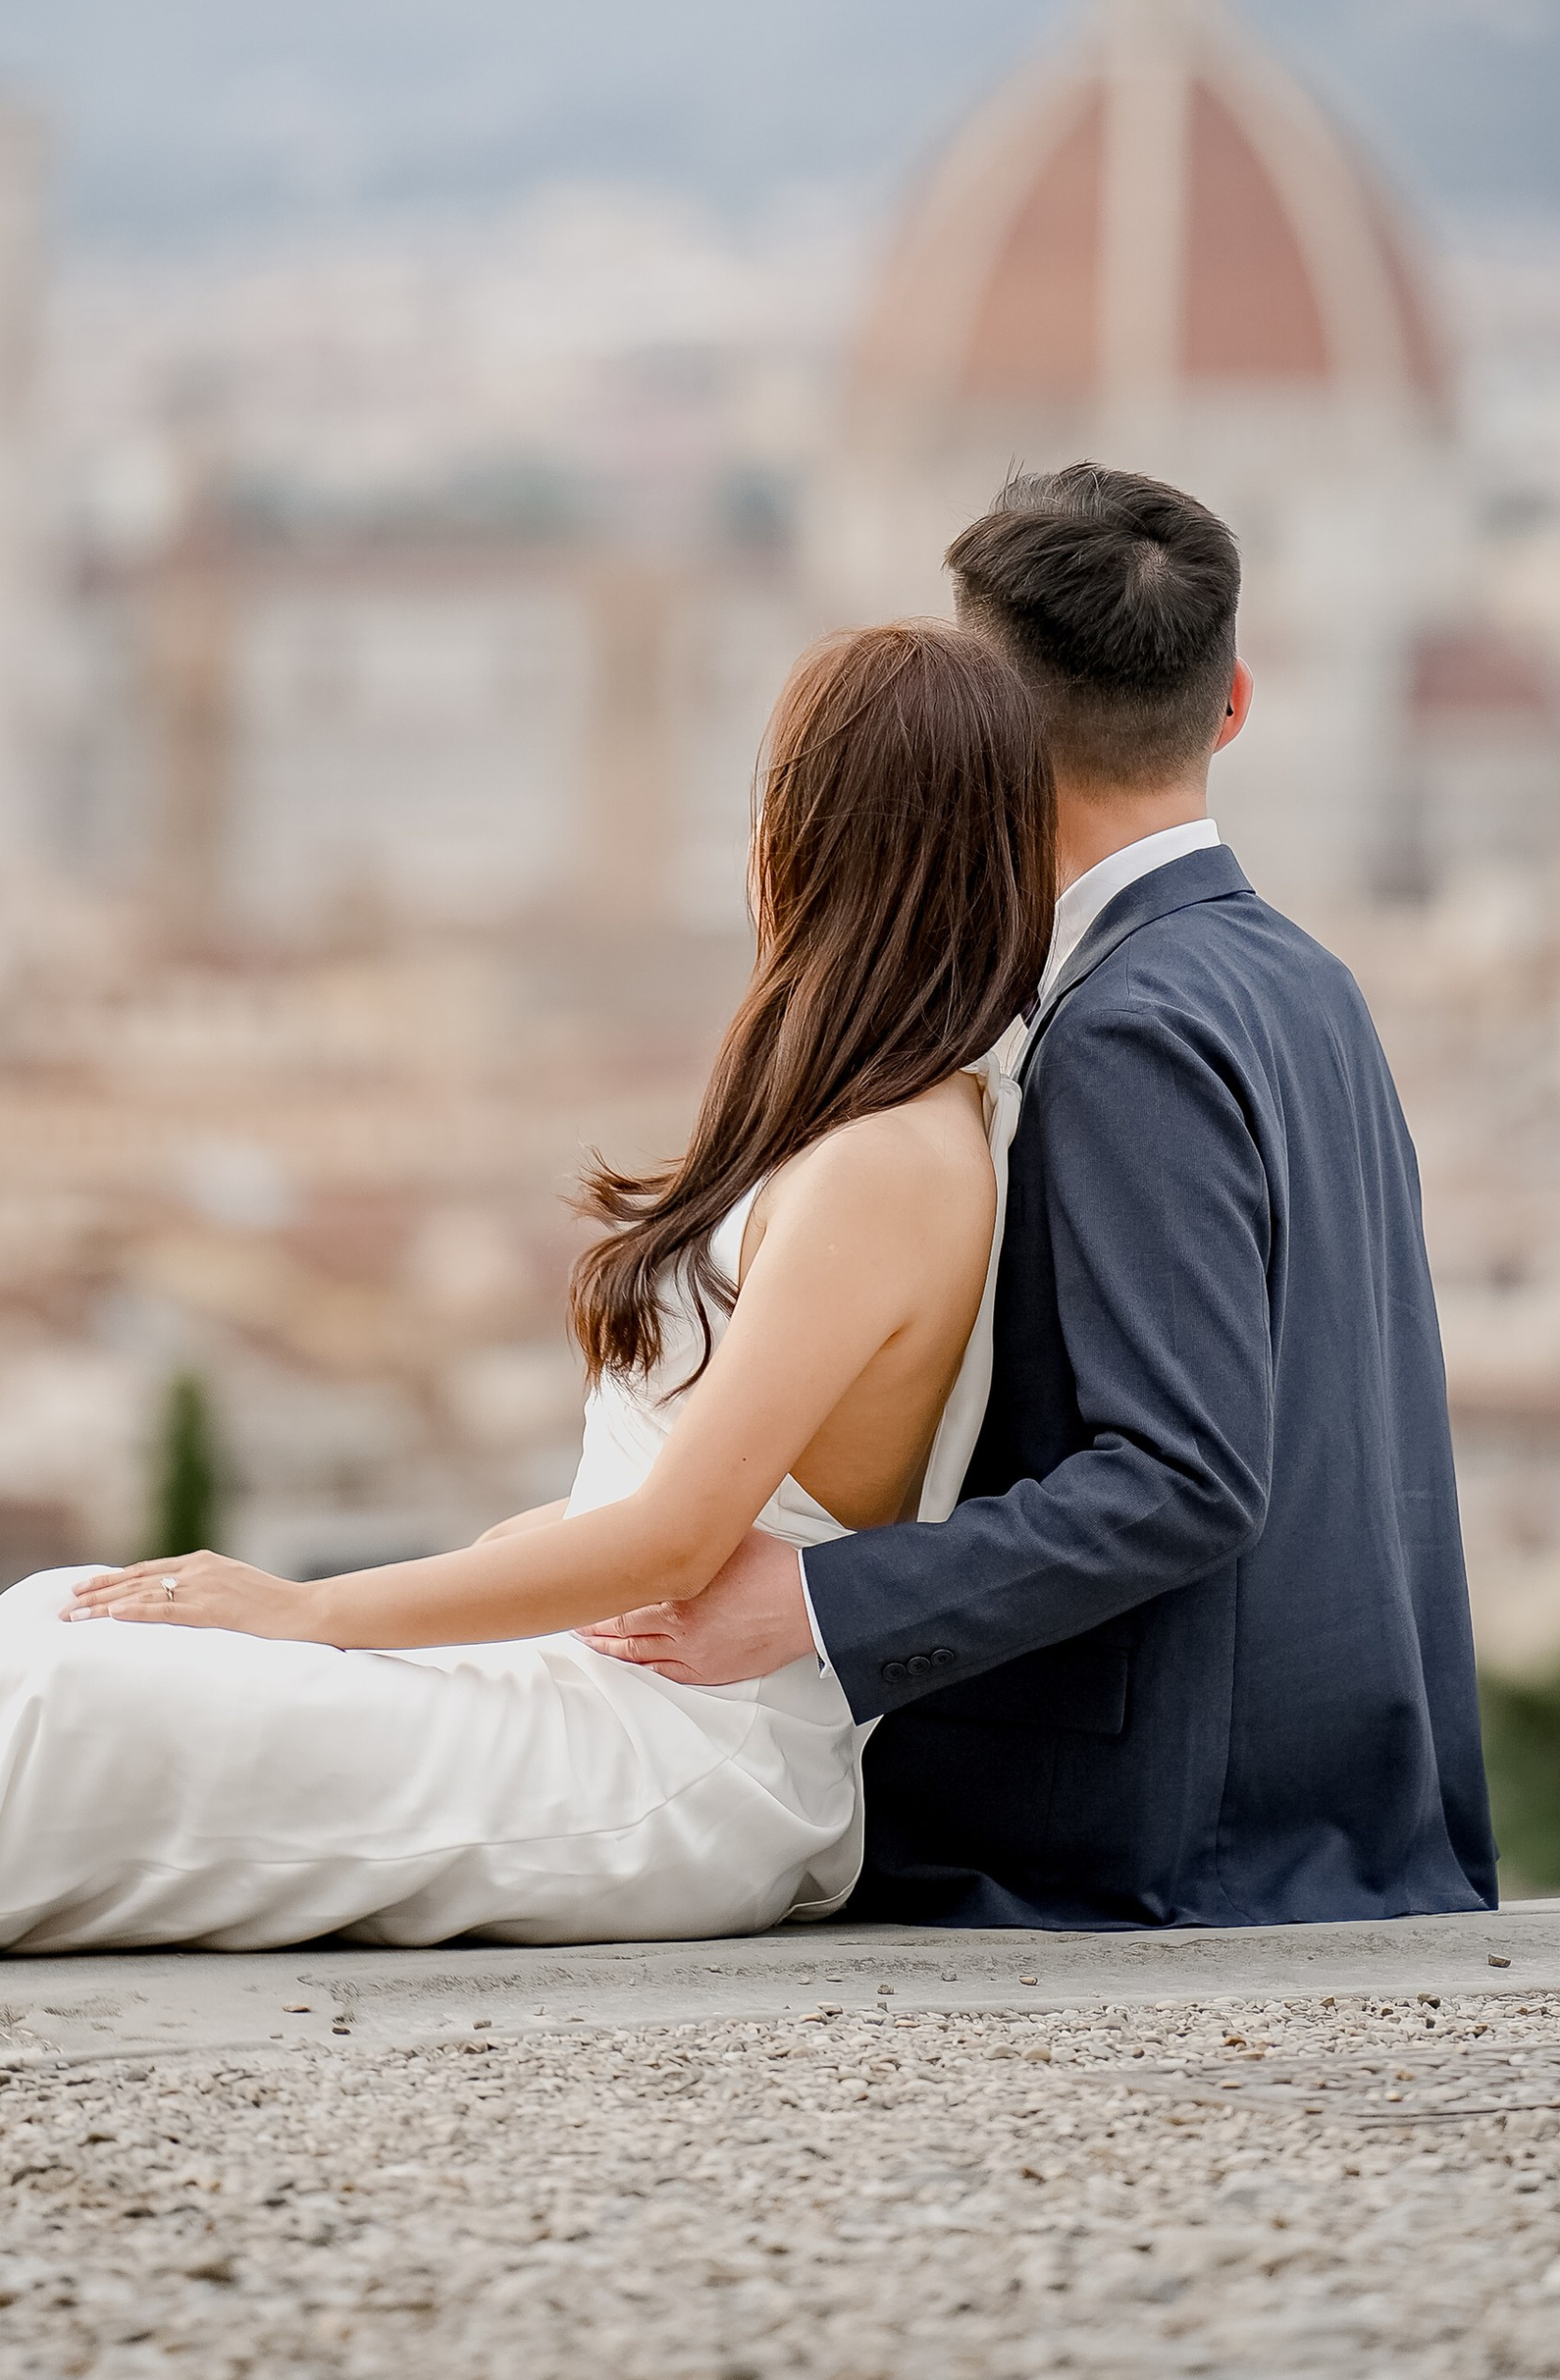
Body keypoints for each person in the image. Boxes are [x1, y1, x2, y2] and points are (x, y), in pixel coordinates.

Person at [0, 621, 1053, 1963]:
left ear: (819, 842)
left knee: (58, 1691)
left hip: (683, 1759)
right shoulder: (867, 1127)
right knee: (62, 1613)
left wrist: (311, 1611)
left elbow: (677, 1543)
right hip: (617, 1694)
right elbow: (655, 1513)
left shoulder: (888, 1162)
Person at [585, 462, 1496, 1929]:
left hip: (1162, 1839)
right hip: (1338, 1801)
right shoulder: (1305, 981)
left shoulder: (1129, 1027)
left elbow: (1186, 1477)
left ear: (987, 735)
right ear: (1233, 703)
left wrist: (818, 1605)